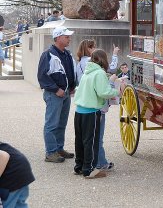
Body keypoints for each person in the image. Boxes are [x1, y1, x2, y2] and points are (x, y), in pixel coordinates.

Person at [73, 49, 123, 178]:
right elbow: (103, 92)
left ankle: (79, 166)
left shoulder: (87, 72)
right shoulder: (99, 73)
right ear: (103, 59)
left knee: (80, 141)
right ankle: (89, 170)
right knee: (91, 141)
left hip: (79, 110)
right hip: (91, 111)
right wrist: (117, 92)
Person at [37, 26, 76, 163]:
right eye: (66, 37)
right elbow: (42, 76)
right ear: (58, 38)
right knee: (52, 124)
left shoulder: (67, 54)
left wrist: (71, 87)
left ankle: (59, 148)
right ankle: (51, 152)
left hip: (65, 93)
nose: (69, 39)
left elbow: (71, 71)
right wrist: (55, 89)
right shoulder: (48, 54)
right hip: (55, 94)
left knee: (61, 123)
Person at [0, 142, 35, 208]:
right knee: (19, 205)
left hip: (11, 175)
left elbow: (3, 155)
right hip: (21, 171)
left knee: (7, 204)